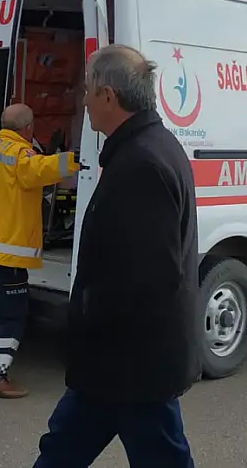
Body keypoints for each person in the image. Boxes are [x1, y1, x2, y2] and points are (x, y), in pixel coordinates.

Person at [33, 46, 198, 468]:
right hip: (117, 363)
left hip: (129, 363)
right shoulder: (148, 147)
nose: (83, 101)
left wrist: (83, 315)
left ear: (108, 96)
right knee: (62, 449)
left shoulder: (142, 162)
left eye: (88, 91)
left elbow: (149, 279)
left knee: (157, 457)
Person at [0, 103, 77, 399]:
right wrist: (79, 157)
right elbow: (46, 169)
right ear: (28, 130)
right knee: (12, 315)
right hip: (5, 252)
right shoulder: (21, 157)